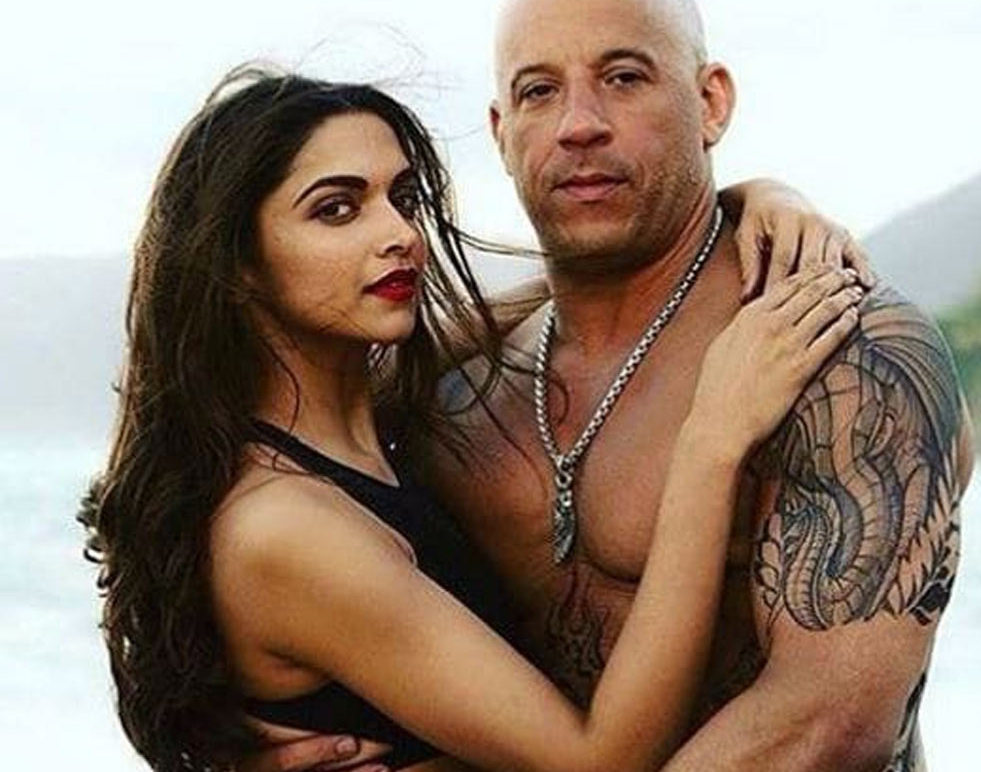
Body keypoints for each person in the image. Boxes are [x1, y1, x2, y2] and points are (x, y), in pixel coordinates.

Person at [257, 0, 974, 770]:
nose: (579, 125)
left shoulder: (834, 352)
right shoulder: (448, 389)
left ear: (710, 103)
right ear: (500, 131)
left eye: (624, 78)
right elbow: (209, 539)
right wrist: (216, 738)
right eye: (538, 91)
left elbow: (829, 723)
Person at [80, 63, 870, 772]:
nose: (399, 235)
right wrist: (712, 440)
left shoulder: (373, 406)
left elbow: (572, 289)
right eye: (337, 210)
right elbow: (599, 761)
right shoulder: (284, 526)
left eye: (403, 199)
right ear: (238, 264)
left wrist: (753, 200)